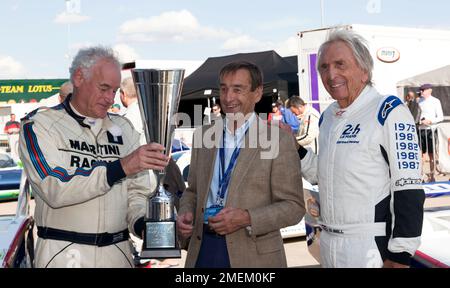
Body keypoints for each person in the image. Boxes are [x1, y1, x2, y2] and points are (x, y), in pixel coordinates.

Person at [18, 46, 170, 268]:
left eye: (115, 90)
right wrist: (120, 168)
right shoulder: (41, 125)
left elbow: (137, 193)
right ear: (79, 78)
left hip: (118, 253)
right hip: (64, 254)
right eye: (104, 88)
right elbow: (54, 186)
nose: (110, 98)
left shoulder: (123, 128)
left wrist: (145, 226)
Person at [298, 29, 425, 268]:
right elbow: (322, 174)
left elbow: (408, 186)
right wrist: (295, 149)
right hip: (329, 244)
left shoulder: (388, 110)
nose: (331, 73)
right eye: (323, 67)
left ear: (364, 71)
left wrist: (400, 255)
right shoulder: (329, 117)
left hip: (369, 248)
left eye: (340, 64)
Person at [176, 61, 305, 268]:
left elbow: (294, 207)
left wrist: (247, 218)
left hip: (254, 256)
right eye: (224, 89)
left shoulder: (278, 140)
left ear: (257, 92)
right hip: (203, 251)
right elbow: (192, 191)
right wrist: (185, 212)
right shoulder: (203, 135)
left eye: (238, 89)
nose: (228, 97)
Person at [119, 76, 186, 267]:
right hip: (151, 206)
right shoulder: (161, 116)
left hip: (141, 208)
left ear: (123, 95)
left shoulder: (123, 124)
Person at [417, 83, 444, 182]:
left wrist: (430, 121)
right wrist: (420, 121)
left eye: (423, 90)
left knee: (432, 154)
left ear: (429, 90)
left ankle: (432, 176)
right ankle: (421, 175)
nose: (421, 92)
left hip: (431, 130)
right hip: (421, 130)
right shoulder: (419, 101)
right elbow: (417, 116)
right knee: (421, 154)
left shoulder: (435, 101)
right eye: (420, 90)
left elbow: (440, 117)